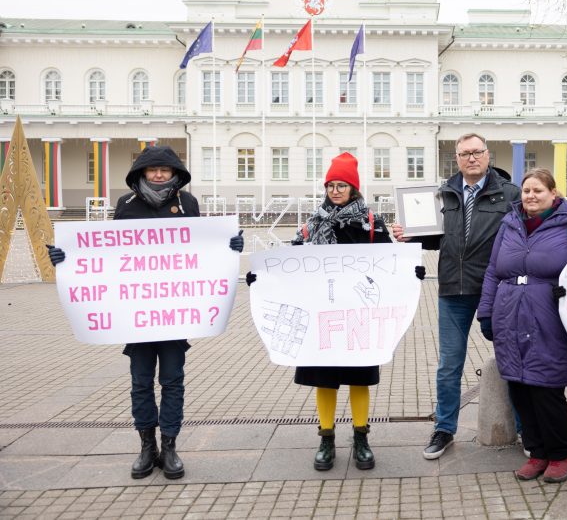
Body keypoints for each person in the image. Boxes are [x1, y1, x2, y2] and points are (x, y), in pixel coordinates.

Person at [47, 145, 244, 480]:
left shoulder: (188, 204)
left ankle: (169, 446)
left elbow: (199, 250)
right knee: (140, 383)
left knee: (172, 381)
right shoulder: (126, 205)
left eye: (164, 170)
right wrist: (67, 258)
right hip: (134, 313)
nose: (157, 174)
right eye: (152, 170)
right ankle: (145, 446)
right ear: (141, 173)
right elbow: (105, 253)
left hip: (173, 312)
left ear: (174, 173)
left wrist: (228, 247)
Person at [248, 152, 421, 471]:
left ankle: (361, 438)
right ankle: (326, 439)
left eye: (342, 185)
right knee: (324, 379)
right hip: (322, 318)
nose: (336, 190)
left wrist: (412, 273)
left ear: (353, 189)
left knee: (359, 377)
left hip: (357, 316)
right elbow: (289, 264)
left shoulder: (371, 222)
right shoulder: (312, 224)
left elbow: (390, 263)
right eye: (331, 185)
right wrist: (262, 278)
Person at [391, 133, 520, 460]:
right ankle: (444, 429)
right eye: (464, 153)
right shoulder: (443, 194)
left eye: (477, 152)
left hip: (496, 288)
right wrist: (410, 236)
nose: (471, 158)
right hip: (453, 288)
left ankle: (525, 428)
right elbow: (437, 238)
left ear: (488, 155)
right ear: (457, 158)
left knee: (512, 359)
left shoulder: (510, 194)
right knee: (449, 365)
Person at [477, 168, 567, 483]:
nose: (530, 196)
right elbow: (493, 271)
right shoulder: (509, 225)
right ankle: (536, 450)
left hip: (549, 318)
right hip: (509, 316)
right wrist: (486, 312)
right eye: (526, 190)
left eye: (538, 190)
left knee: (546, 388)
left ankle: (560, 454)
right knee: (519, 387)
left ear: (553, 193)